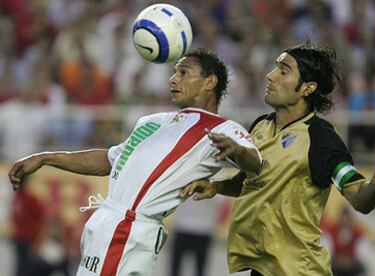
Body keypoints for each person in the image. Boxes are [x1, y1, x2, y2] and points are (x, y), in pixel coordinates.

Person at [8, 48, 262, 276]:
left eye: (184, 72)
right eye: (174, 72)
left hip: (128, 231)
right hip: (107, 224)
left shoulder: (223, 129)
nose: (173, 79)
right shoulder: (152, 121)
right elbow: (108, 160)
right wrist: (45, 157)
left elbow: (255, 164)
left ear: (210, 82)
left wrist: (238, 152)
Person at [180, 43, 375, 276]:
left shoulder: (322, 139)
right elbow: (250, 181)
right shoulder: (261, 126)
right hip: (262, 269)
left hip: (299, 270)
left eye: (283, 71)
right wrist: (217, 186)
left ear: (308, 88)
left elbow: (360, 200)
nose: (270, 76)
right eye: (274, 68)